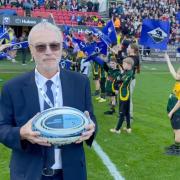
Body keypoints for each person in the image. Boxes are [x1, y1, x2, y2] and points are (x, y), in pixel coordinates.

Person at [0, 22, 97, 180]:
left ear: (61, 47)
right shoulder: (12, 87)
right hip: (28, 173)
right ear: (31, 50)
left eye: (54, 45)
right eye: (40, 47)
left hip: (71, 173)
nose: (48, 52)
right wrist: (21, 133)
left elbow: (89, 117)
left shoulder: (80, 82)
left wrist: (91, 127)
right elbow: (2, 127)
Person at [110, 57, 134, 134]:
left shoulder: (129, 73)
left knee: (122, 113)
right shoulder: (127, 72)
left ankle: (117, 129)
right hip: (125, 94)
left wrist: (119, 79)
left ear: (129, 65)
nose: (122, 65)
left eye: (124, 64)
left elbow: (121, 80)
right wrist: (120, 78)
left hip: (124, 95)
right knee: (127, 112)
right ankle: (128, 128)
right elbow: (119, 79)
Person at [164, 53, 180, 155]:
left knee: (178, 131)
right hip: (173, 110)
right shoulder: (178, 81)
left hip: (177, 111)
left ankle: (178, 149)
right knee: (175, 129)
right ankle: (176, 146)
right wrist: (167, 59)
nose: (176, 74)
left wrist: (171, 112)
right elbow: (172, 71)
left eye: (179, 73)